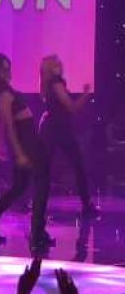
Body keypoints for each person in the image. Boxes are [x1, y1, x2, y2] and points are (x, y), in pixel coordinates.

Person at [0, 54, 54, 249]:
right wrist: (18, 152)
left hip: (27, 139)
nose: (8, 72)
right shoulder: (3, 93)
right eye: (4, 69)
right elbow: (8, 124)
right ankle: (37, 231)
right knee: (42, 182)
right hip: (27, 142)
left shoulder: (3, 91)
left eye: (8, 67)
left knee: (19, 186)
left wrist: (0, 145)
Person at [39, 55, 99, 216]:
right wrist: (86, 94)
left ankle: (37, 206)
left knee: (45, 169)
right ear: (51, 68)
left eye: (60, 63)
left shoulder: (47, 83)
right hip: (59, 130)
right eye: (56, 64)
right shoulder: (56, 83)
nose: (60, 65)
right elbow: (71, 108)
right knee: (78, 165)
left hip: (53, 129)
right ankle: (86, 205)